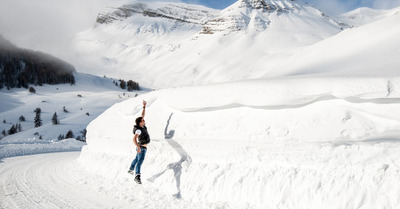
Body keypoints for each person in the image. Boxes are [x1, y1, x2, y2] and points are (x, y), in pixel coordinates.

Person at [128, 100, 150, 184]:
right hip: (142, 148)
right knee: (140, 161)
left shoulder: (141, 126)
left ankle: (131, 169)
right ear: (140, 123)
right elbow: (134, 139)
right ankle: (137, 176)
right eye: (143, 120)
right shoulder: (139, 130)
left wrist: (144, 107)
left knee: (136, 159)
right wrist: (138, 147)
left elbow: (142, 115)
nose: (144, 121)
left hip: (141, 147)